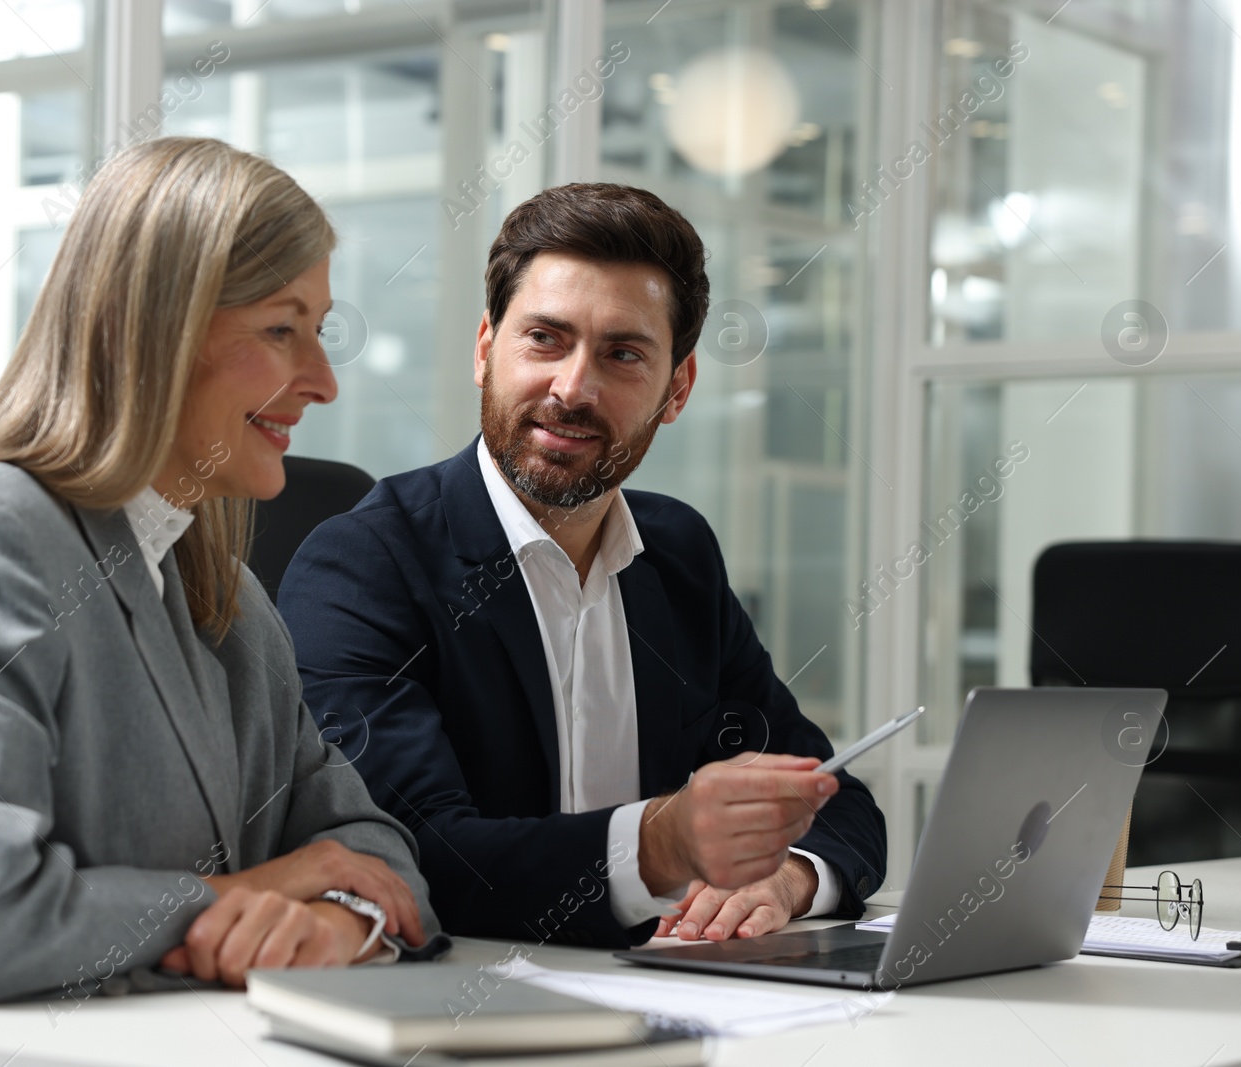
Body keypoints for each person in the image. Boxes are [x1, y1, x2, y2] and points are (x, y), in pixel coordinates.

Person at [0, 137, 441, 1031]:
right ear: (158, 330)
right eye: (280, 328)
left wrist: (339, 921)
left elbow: (373, 850)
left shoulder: (228, 602)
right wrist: (237, 896)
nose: (325, 381)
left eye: (320, 330)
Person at [278, 183, 887, 949]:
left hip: (683, 997)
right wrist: (660, 844)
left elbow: (834, 798)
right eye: (544, 338)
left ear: (678, 388)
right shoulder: (368, 562)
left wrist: (789, 875)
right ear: (484, 349)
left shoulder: (679, 554)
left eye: (622, 353)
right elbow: (412, 855)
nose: (573, 387)